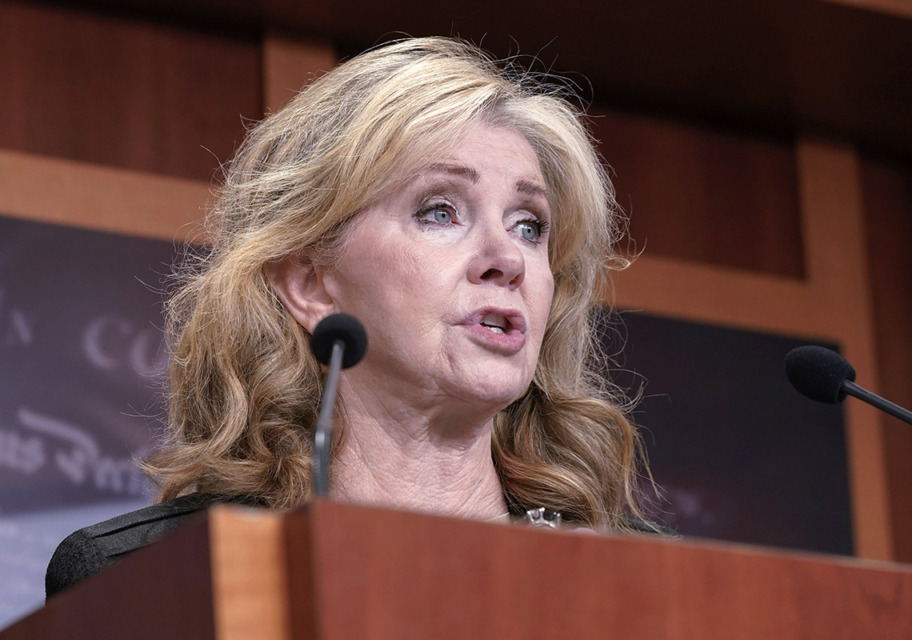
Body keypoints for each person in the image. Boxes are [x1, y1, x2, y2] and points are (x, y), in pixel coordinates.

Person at [45, 36, 652, 599]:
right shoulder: (151, 578)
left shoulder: (650, 582)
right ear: (310, 283)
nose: (506, 261)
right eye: (440, 212)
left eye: (529, 226)